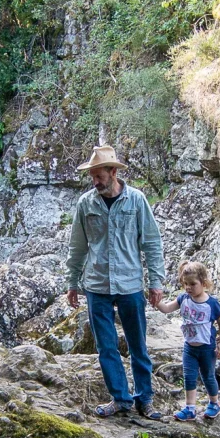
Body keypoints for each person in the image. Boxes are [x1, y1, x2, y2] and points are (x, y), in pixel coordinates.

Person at [66, 145, 165, 420]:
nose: (95, 182)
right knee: (106, 347)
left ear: (113, 172)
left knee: (138, 346)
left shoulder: (137, 200)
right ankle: (121, 399)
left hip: (130, 284)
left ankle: (145, 399)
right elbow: (77, 247)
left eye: (99, 176)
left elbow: (152, 243)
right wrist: (72, 282)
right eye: (92, 177)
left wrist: (156, 282)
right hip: (96, 285)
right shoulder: (86, 203)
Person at [156, 260, 220, 420]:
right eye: (185, 284)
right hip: (189, 347)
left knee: (208, 376)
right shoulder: (183, 299)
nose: (188, 287)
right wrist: (156, 301)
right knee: (189, 376)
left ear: (204, 283)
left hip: (207, 348)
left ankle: (214, 403)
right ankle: (190, 408)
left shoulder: (211, 303)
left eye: (193, 284)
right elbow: (167, 308)